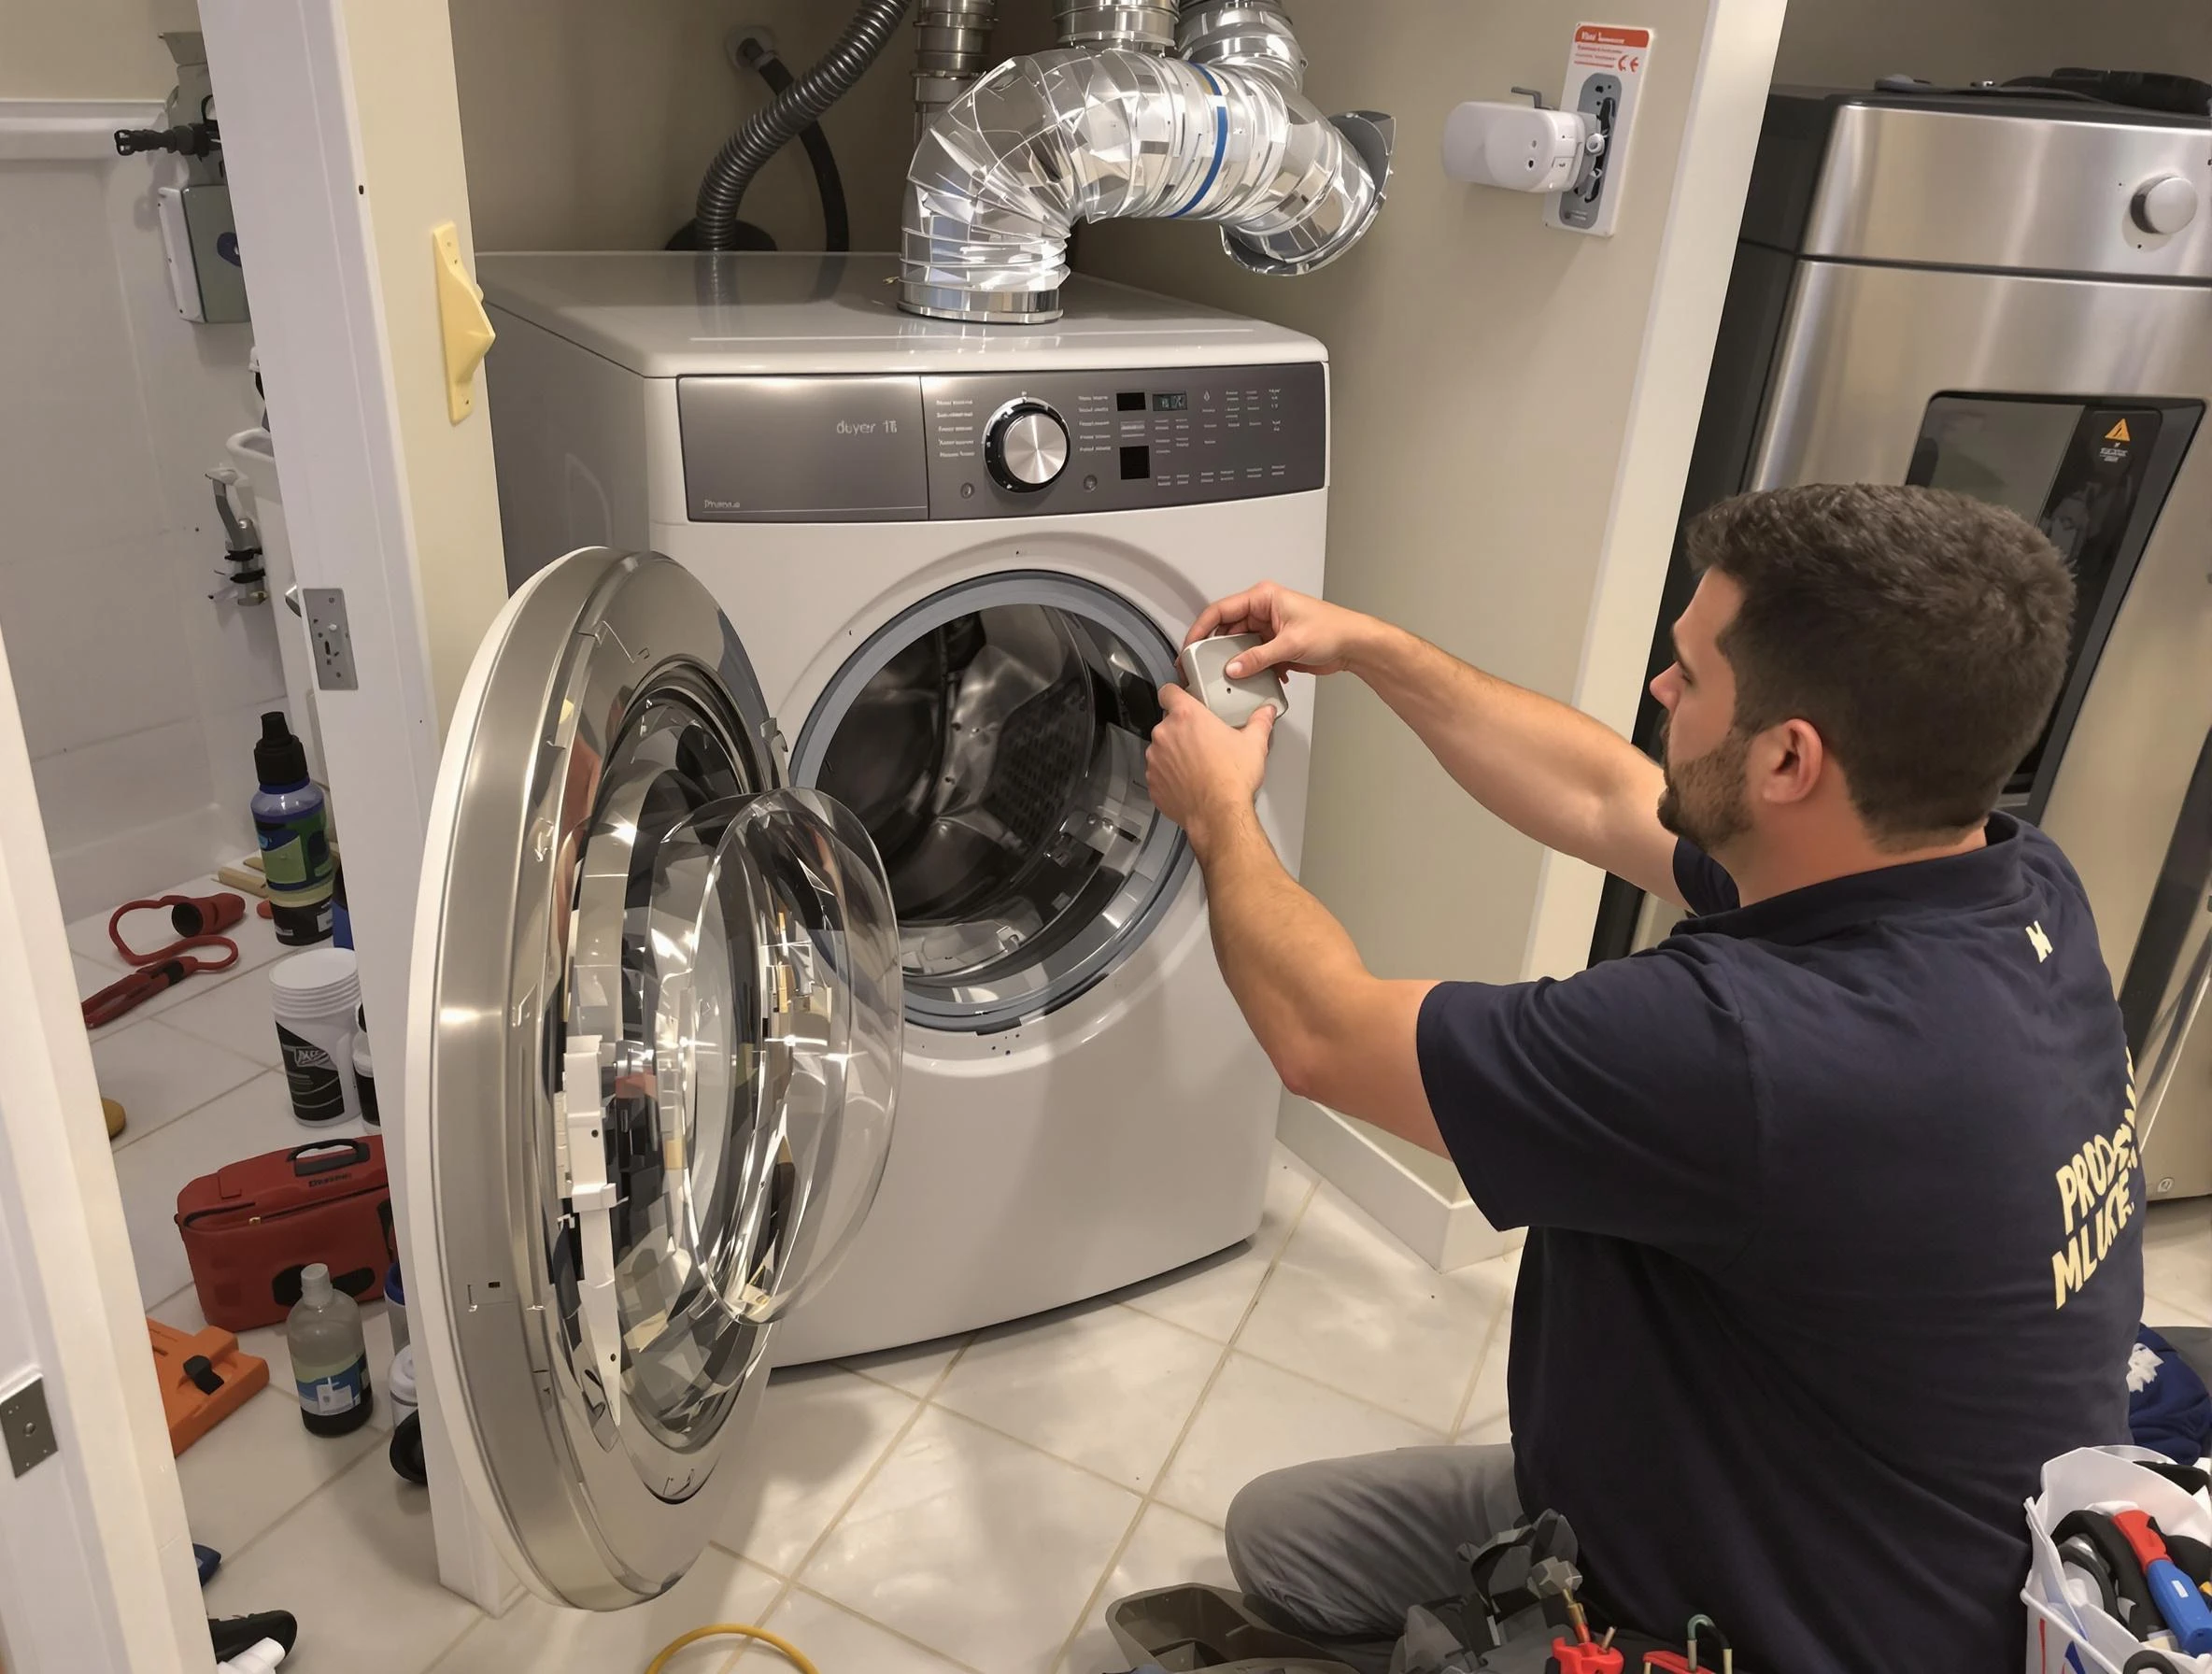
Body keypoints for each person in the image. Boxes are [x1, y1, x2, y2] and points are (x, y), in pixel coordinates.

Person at [1142, 483, 2141, 1673]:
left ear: (1786, 758)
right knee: (1285, 1535)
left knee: (1295, 1560)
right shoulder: (2009, 886)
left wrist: (1218, 814)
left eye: (1689, 674)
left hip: (1802, 1627)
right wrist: (1371, 648)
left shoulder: (1751, 1054)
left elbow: (1318, 1032)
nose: (1660, 692)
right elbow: (1606, 796)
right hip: (1915, 1547)